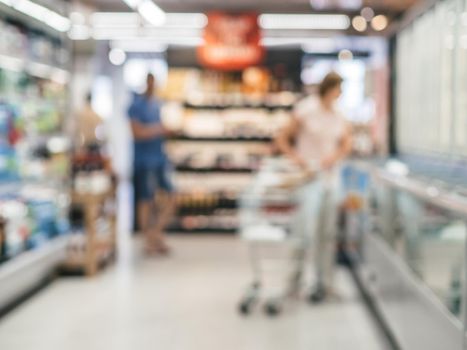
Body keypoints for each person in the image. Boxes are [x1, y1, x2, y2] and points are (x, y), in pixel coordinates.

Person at [275, 72, 352, 302]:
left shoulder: (338, 115)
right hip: (308, 179)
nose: (339, 94)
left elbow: (347, 142)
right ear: (329, 88)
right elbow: (283, 138)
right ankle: (293, 282)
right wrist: (298, 159)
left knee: (327, 234)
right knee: (303, 232)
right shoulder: (307, 109)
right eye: (337, 89)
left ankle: (325, 283)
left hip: (330, 180)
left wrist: (335, 156)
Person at [128, 73, 176, 255]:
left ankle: (156, 233)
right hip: (143, 161)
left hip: (159, 158)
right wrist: (159, 130)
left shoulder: (158, 104)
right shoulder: (136, 105)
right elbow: (136, 133)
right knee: (145, 200)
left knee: (170, 197)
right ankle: (148, 240)